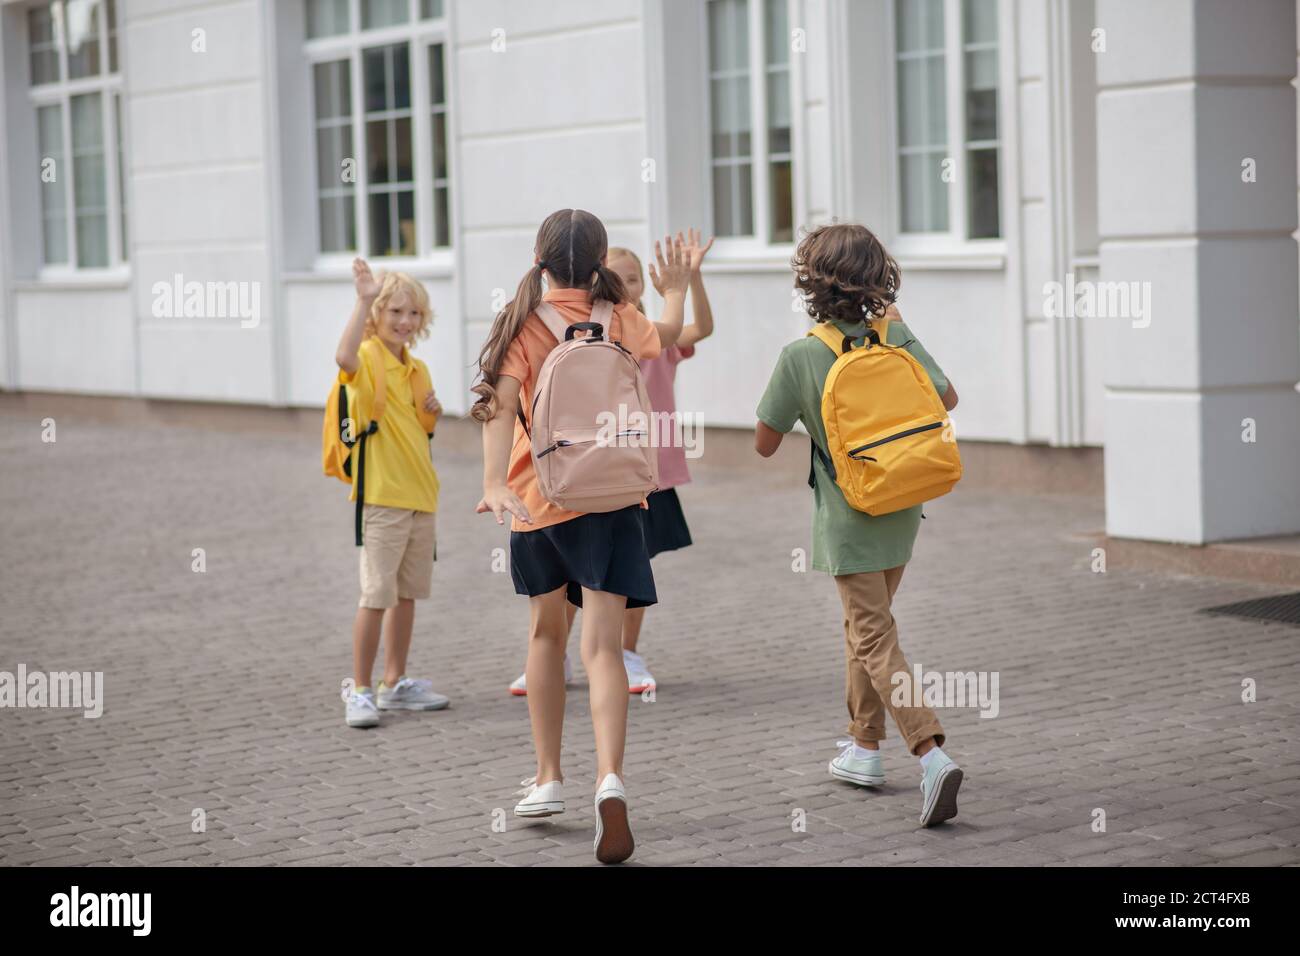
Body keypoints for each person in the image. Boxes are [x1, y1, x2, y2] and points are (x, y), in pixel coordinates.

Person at [473, 209, 692, 862]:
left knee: (547, 635)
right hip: (618, 497)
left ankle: (547, 779)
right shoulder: (617, 315)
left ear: (540, 263)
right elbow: (672, 333)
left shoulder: (524, 324)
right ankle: (610, 779)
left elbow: (498, 404)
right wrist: (677, 282)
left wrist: (492, 483)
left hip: (541, 498)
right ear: (599, 261)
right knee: (603, 650)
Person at [753, 223, 964, 826]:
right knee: (863, 631)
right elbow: (948, 398)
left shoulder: (801, 356)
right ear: (878, 279)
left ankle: (929, 753)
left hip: (849, 518)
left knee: (873, 639)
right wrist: (899, 331)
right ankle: (864, 748)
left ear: (811, 286)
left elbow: (765, 443)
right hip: (904, 507)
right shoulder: (895, 336)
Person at [505, 229, 715, 696]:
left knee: (628, 570)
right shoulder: (615, 323)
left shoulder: (633, 325)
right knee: (584, 572)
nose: (629, 284)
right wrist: (676, 293)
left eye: (637, 278)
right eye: (621, 276)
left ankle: (623, 653)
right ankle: (561, 656)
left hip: (640, 471)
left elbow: (696, 329)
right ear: (599, 274)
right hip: (581, 469)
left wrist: (690, 280)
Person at [335, 261, 450, 729]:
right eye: (395, 311)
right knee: (375, 595)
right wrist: (362, 297)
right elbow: (342, 359)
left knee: (406, 596)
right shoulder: (368, 358)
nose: (405, 321)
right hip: (382, 499)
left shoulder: (416, 367)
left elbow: (417, 431)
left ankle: (394, 682)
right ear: (377, 315)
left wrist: (434, 412)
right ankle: (360, 691)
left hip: (421, 498)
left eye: (414, 313)